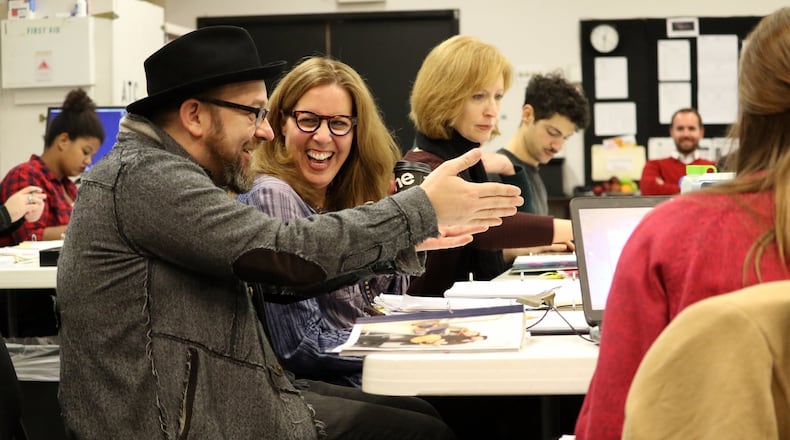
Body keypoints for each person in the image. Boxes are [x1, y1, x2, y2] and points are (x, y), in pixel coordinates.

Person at [56, 26, 523, 440]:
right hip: (172, 421)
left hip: (220, 397)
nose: (264, 133)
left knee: (421, 414)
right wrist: (415, 210)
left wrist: (400, 241)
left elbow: (276, 279)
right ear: (195, 116)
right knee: (424, 430)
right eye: (254, 113)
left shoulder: (164, 174)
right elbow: (284, 255)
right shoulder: (147, 177)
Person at [575, 7, 790, 439]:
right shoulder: (662, 175)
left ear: (746, 112)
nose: (687, 133)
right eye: (681, 126)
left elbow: (610, 424)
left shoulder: (669, 234)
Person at [239, 56, 407, 387]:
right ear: (282, 122)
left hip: (371, 376)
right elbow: (300, 345)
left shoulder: (343, 194)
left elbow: (386, 306)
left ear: (356, 131)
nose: (323, 137)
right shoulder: (273, 194)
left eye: (339, 123)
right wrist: (407, 345)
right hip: (320, 391)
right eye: (309, 120)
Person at [402, 35, 574, 296]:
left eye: (497, 96)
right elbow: (483, 226)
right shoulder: (423, 166)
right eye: (478, 96)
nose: (492, 110)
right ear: (443, 97)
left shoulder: (466, 160)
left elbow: (473, 255)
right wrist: (577, 228)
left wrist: (532, 246)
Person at [0, 88, 104, 246]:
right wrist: (89, 229)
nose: (88, 161)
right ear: (63, 141)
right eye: (85, 152)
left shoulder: (69, 188)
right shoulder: (25, 176)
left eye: (92, 156)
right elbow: (28, 239)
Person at [497, 72, 590, 216]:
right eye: (552, 132)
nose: (557, 147)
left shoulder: (536, 176)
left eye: (565, 138)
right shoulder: (498, 173)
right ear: (528, 114)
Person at [638, 107, 716, 195]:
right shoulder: (654, 166)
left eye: (691, 128)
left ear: (701, 132)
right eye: (680, 128)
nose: (686, 134)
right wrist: (701, 190)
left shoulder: (712, 167)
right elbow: (649, 189)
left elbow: (722, 193)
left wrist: (664, 186)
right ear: (671, 132)